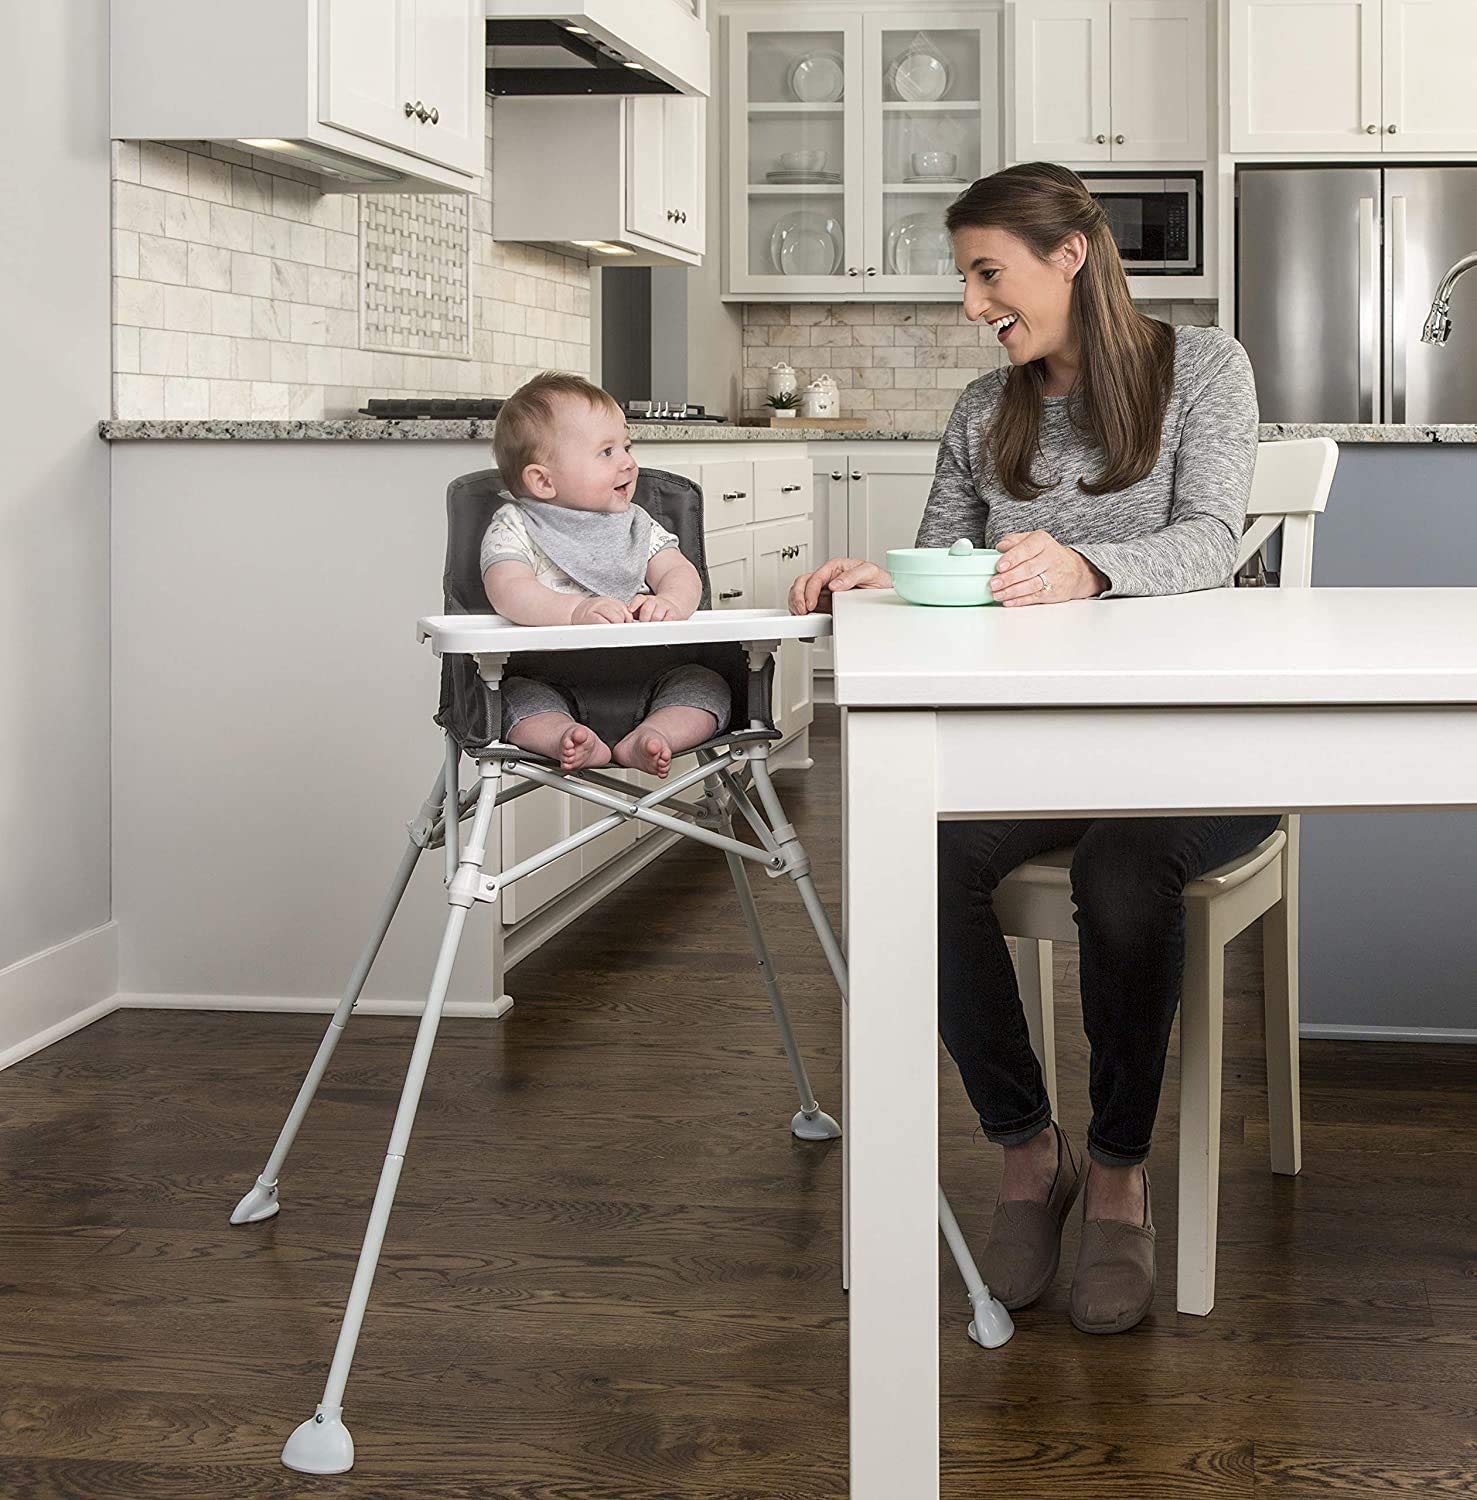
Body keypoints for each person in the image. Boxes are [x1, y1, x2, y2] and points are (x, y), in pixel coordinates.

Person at [789, 162, 1280, 1334]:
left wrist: (1087, 562)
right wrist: (887, 579)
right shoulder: (983, 409)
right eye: (964, 277)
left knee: (1124, 871)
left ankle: (1117, 1170)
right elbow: (946, 566)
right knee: (919, 854)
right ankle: (1026, 1149)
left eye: (985, 273)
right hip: (1040, 753)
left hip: (1195, 747)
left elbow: (1215, 536)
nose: (970, 304)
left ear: (1069, 257)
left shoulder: (1199, 366)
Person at [483, 372, 729, 779]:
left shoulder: (638, 524)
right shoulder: (516, 526)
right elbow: (508, 590)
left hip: (655, 676)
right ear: (542, 480)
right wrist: (577, 611)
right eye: (607, 452)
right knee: (512, 700)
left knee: (706, 687)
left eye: (627, 448)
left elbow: (679, 571)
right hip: (549, 679)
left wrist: (670, 602)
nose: (629, 463)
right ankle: (565, 736)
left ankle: (654, 734)